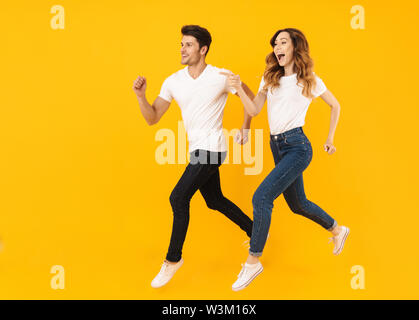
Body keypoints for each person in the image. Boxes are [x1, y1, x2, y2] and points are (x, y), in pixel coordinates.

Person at [223, 28, 350, 291]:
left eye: (283, 42)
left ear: (295, 47)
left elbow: (335, 105)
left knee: (261, 197)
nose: (277, 47)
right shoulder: (270, 78)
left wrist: (330, 139)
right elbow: (255, 109)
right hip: (277, 147)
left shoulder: (309, 79)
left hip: (298, 147)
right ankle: (337, 230)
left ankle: (253, 261)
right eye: (275, 43)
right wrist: (239, 92)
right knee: (298, 203)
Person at [133, 25, 255, 288]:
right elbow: (153, 117)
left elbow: (251, 97)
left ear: (203, 49)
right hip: (198, 149)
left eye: (188, 45)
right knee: (214, 200)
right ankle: (255, 231)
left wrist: (246, 128)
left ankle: (173, 259)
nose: (182, 49)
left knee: (178, 197)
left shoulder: (221, 76)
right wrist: (141, 97)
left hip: (213, 148)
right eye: (181, 44)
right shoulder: (173, 81)